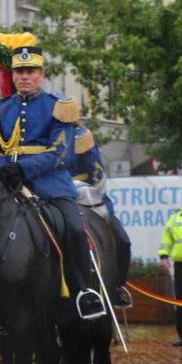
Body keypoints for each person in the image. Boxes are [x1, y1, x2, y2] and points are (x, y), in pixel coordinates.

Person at [0, 46, 105, 321]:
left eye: (31, 71)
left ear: (41, 74)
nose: (25, 77)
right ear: (13, 76)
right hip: (10, 184)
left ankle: (84, 292)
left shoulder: (58, 106)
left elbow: (59, 152)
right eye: (19, 72)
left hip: (51, 184)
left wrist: (21, 168)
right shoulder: (1, 109)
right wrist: (4, 169)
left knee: (74, 229)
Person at [69, 123, 133, 308]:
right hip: (57, 196)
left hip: (89, 196)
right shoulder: (44, 135)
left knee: (123, 240)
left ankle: (117, 287)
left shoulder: (82, 136)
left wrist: (86, 192)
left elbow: (97, 173)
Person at [159, 198, 182, 346]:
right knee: (181, 301)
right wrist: (164, 256)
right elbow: (166, 239)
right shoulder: (175, 218)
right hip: (181, 265)